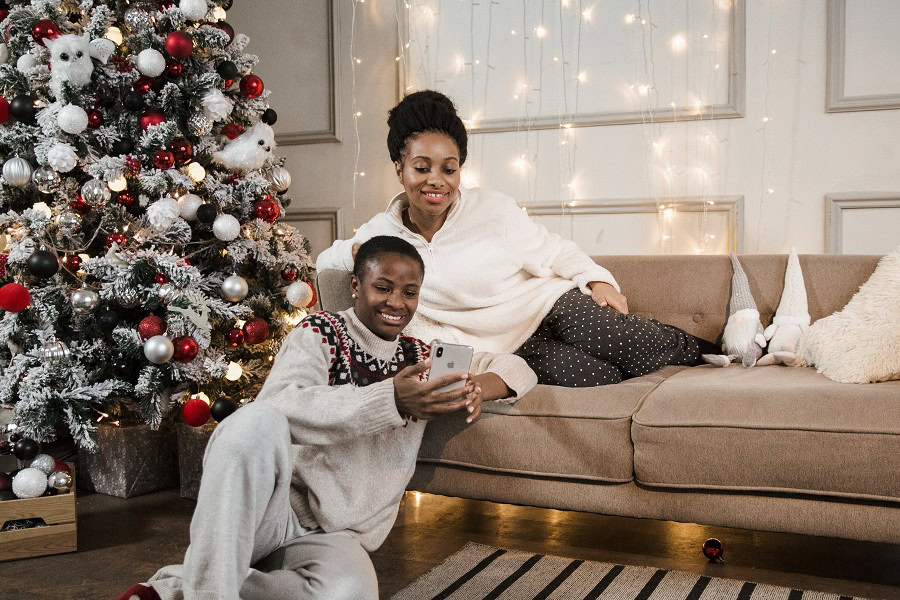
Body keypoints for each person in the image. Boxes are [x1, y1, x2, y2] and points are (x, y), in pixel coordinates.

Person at [118, 235, 536, 600]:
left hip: (338, 536)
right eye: (383, 287)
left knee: (349, 593)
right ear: (355, 285)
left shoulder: (421, 356)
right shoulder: (319, 332)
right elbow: (280, 405)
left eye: (410, 292)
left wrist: (482, 386)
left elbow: (519, 368)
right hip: (274, 510)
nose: (396, 302)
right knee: (252, 422)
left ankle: (174, 589)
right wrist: (390, 400)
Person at [316, 90, 719, 388]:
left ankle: (720, 350)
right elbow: (326, 262)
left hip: (547, 306)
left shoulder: (492, 211)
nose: (437, 181)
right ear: (399, 168)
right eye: (422, 168)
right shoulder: (382, 234)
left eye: (450, 169)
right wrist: (358, 253)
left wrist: (597, 279)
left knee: (626, 341)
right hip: (511, 347)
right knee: (600, 376)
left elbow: (556, 251)